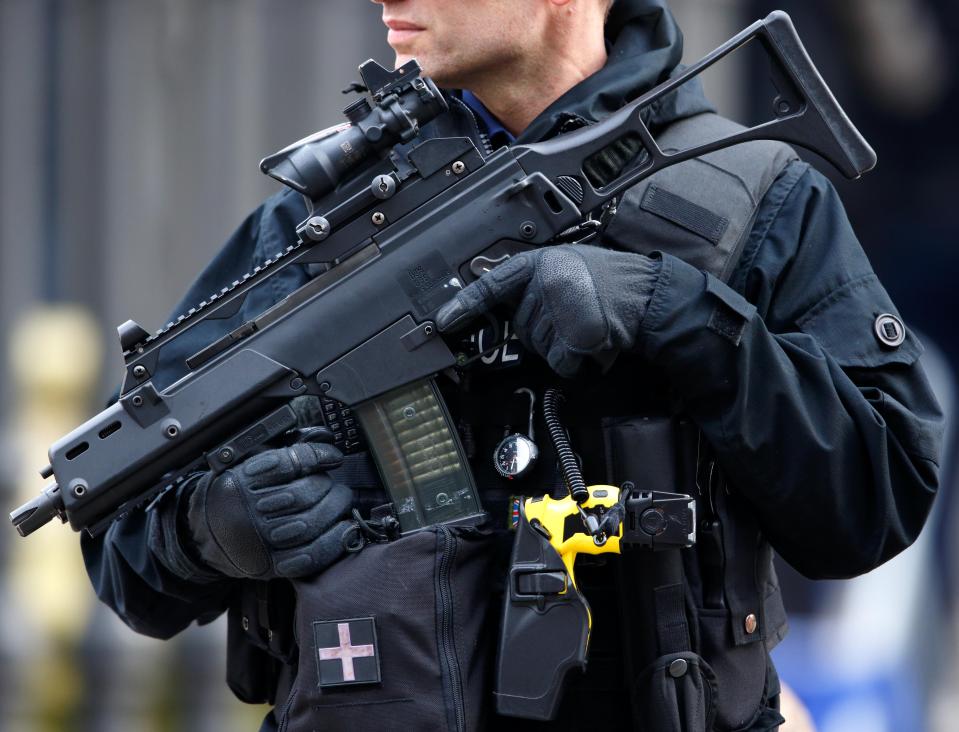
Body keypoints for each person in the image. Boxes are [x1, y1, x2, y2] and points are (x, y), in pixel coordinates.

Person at [80, 0, 943, 730]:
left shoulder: (742, 196)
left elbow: (874, 499)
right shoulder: (324, 222)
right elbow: (119, 539)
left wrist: (671, 312)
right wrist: (212, 530)